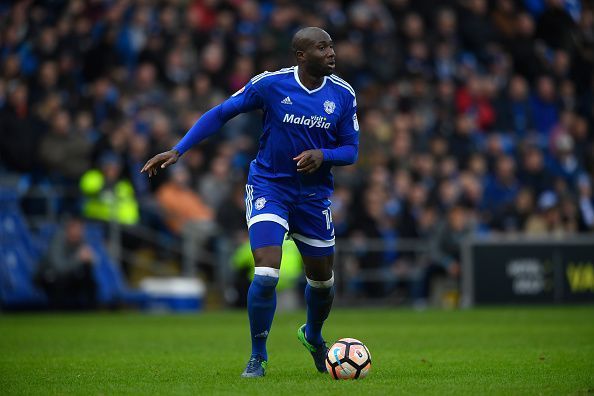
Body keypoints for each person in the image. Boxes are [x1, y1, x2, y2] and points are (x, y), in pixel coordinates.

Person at [141, 27, 359, 377]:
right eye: (322, 47)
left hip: (313, 197)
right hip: (269, 187)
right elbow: (221, 112)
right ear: (301, 56)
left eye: (332, 45)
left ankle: (313, 335)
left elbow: (351, 150)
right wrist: (179, 149)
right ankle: (258, 356)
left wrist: (324, 154)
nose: (332, 52)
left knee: (323, 282)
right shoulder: (270, 85)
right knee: (268, 271)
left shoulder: (344, 94)